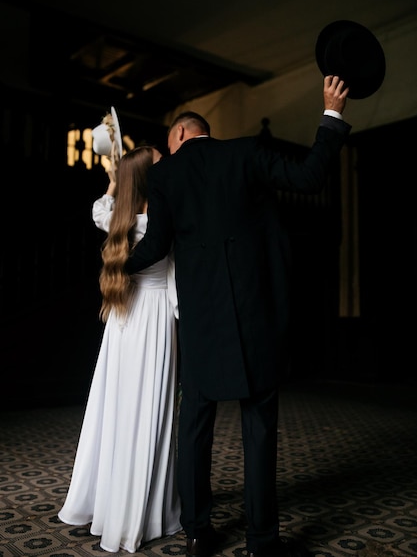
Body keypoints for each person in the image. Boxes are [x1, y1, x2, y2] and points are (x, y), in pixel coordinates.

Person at [124, 75, 351, 557]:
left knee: (195, 429)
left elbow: (156, 245)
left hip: (203, 323)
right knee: (260, 430)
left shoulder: (165, 176)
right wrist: (331, 113)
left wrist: (115, 264)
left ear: (180, 135)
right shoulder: (246, 152)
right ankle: (262, 541)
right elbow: (311, 177)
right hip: (255, 316)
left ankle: (198, 532)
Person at [58, 145, 181, 554]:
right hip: (155, 314)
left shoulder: (120, 218)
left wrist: (114, 181)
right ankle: (145, 513)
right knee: (149, 411)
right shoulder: (164, 218)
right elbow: (177, 277)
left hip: (122, 317)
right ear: (151, 180)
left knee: (116, 410)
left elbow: (99, 210)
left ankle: (111, 504)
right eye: (163, 164)